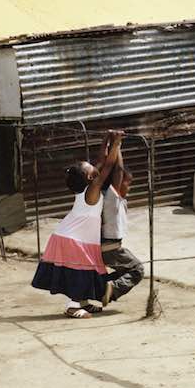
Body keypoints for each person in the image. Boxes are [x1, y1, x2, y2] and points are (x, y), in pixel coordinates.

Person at [31, 130, 123, 318]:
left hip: (73, 236)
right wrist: (117, 144)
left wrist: (106, 140)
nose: (95, 167)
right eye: (91, 169)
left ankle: (83, 302)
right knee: (78, 272)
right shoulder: (92, 190)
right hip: (73, 238)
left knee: (84, 270)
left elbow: (100, 161)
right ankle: (72, 306)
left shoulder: (87, 187)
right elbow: (108, 166)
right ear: (90, 178)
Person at [100, 143, 144, 303]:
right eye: (128, 183)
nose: (129, 187)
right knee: (137, 269)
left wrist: (108, 143)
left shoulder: (100, 194)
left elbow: (105, 165)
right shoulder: (112, 199)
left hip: (105, 246)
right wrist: (117, 144)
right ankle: (111, 289)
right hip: (110, 248)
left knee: (124, 270)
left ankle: (101, 286)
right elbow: (118, 171)